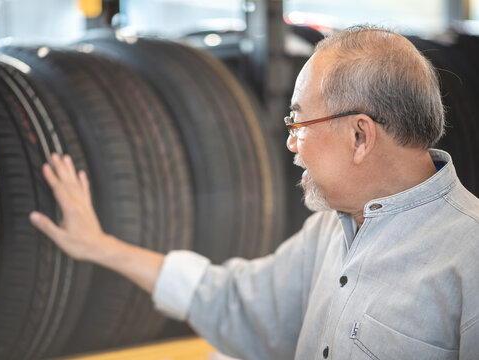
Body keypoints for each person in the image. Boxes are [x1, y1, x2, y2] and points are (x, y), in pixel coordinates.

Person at [29, 25, 479, 359]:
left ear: (360, 136)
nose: (290, 142)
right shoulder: (327, 233)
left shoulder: (470, 257)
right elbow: (230, 300)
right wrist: (101, 247)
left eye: (299, 122)